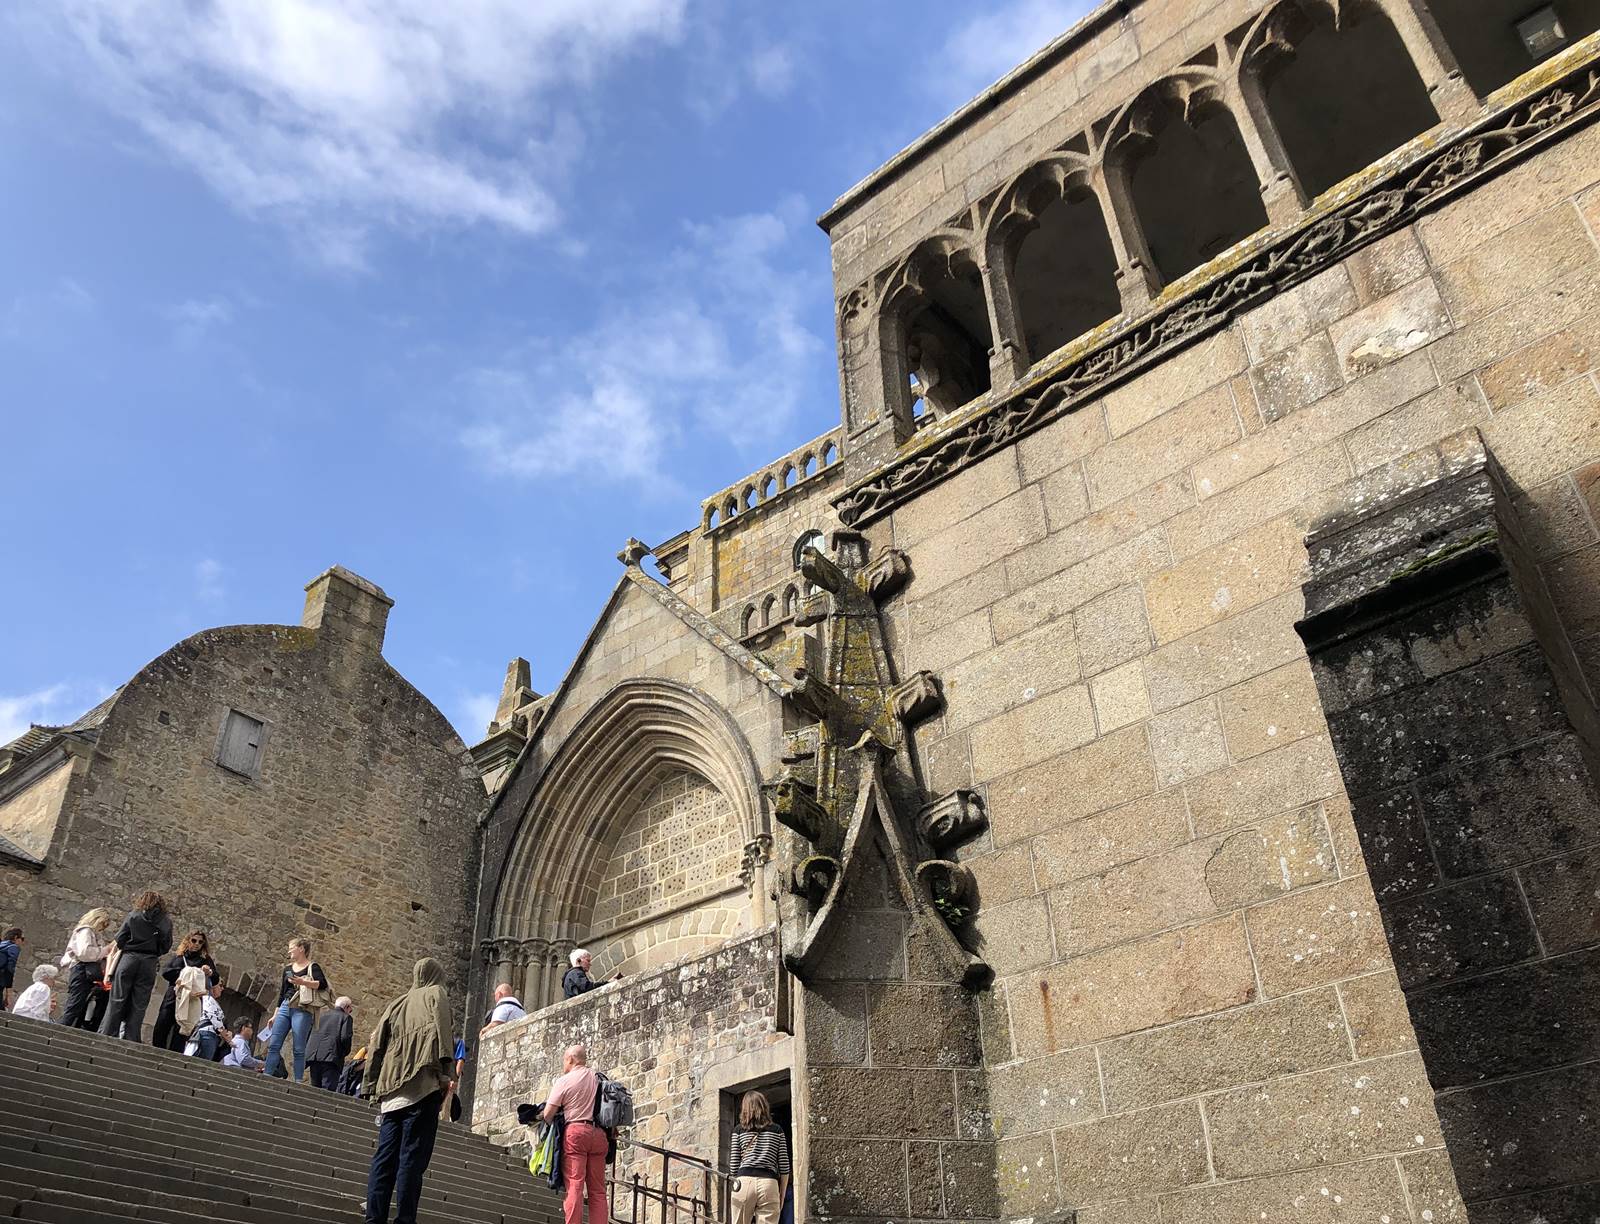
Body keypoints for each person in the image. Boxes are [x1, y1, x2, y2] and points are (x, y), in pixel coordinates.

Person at [362, 957, 454, 1224]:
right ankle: (404, 1219)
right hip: (422, 1086)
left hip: (391, 1092)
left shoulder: (397, 1003)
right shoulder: (437, 994)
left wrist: (371, 1084)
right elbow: (444, 1034)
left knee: (384, 1159)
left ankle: (374, 1217)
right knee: (411, 1159)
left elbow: (376, 1044)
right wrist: (447, 1073)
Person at [541, 1042, 607, 1224]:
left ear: (570, 1059)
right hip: (599, 1135)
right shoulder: (599, 1078)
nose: (564, 1064)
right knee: (598, 1190)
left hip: (576, 1133)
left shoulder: (565, 1081)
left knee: (575, 1185)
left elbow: (548, 1114)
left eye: (564, 1060)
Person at [100, 891, 173, 1041]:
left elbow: (120, 938)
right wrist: (154, 951)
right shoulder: (165, 921)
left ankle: (108, 1032)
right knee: (140, 1002)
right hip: (149, 961)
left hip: (129, 958)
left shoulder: (134, 916)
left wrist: (130, 946)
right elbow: (166, 945)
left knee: (117, 999)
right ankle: (131, 1036)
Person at [263, 937, 330, 1081]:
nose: (289, 951)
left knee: (298, 1048)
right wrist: (275, 1014)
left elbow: (323, 984)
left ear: (301, 948)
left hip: (301, 1007)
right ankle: (267, 1075)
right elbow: (282, 992)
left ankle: (298, 1081)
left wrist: (302, 982)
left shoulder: (313, 967)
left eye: (291, 947)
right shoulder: (288, 969)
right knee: (274, 1044)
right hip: (285, 1006)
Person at [728, 1090, 791, 1224]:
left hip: (743, 1182)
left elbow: (733, 1165)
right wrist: (782, 1193)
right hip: (769, 1183)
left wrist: (737, 1184)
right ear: (764, 1107)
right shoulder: (777, 1130)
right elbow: (784, 1167)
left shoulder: (738, 1130)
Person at [152, 929, 217, 1051]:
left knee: (182, 1030)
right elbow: (166, 972)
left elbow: (215, 978)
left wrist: (208, 972)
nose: (196, 944)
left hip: (191, 998)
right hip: (175, 995)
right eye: (194, 940)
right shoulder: (180, 957)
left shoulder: (205, 960)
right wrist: (184, 974)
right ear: (188, 941)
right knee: (162, 1025)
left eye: (200, 942)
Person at [58, 908, 115, 1030]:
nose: (102, 928)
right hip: (81, 970)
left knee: (78, 1004)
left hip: (82, 970)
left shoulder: (88, 932)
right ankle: (61, 1028)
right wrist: (104, 950)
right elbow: (84, 953)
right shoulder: (85, 931)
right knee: (75, 1003)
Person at [305, 996, 355, 1091]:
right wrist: (344, 1052)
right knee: (327, 1092)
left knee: (314, 1091)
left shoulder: (321, 1015)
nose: (350, 1011)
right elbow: (345, 1037)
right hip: (332, 1058)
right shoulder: (346, 1018)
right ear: (346, 1007)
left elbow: (309, 1033)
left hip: (314, 1056)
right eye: (350, 1009)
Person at [184, 980, 232, 1061]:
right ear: (212, 986)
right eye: (220, 985)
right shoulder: (207, 998)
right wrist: (227, 1037)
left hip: (209, 1034)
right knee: (202, 1062)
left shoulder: (208, 999)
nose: (222, 988)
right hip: (207, 1034)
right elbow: (215, 1021)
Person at [0, 928, 23, 1009]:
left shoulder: (2, 945)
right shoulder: (13, 947)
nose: (22, 942)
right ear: (16, 938)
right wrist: (9, 992)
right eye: (22, 939)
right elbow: (10, 969)